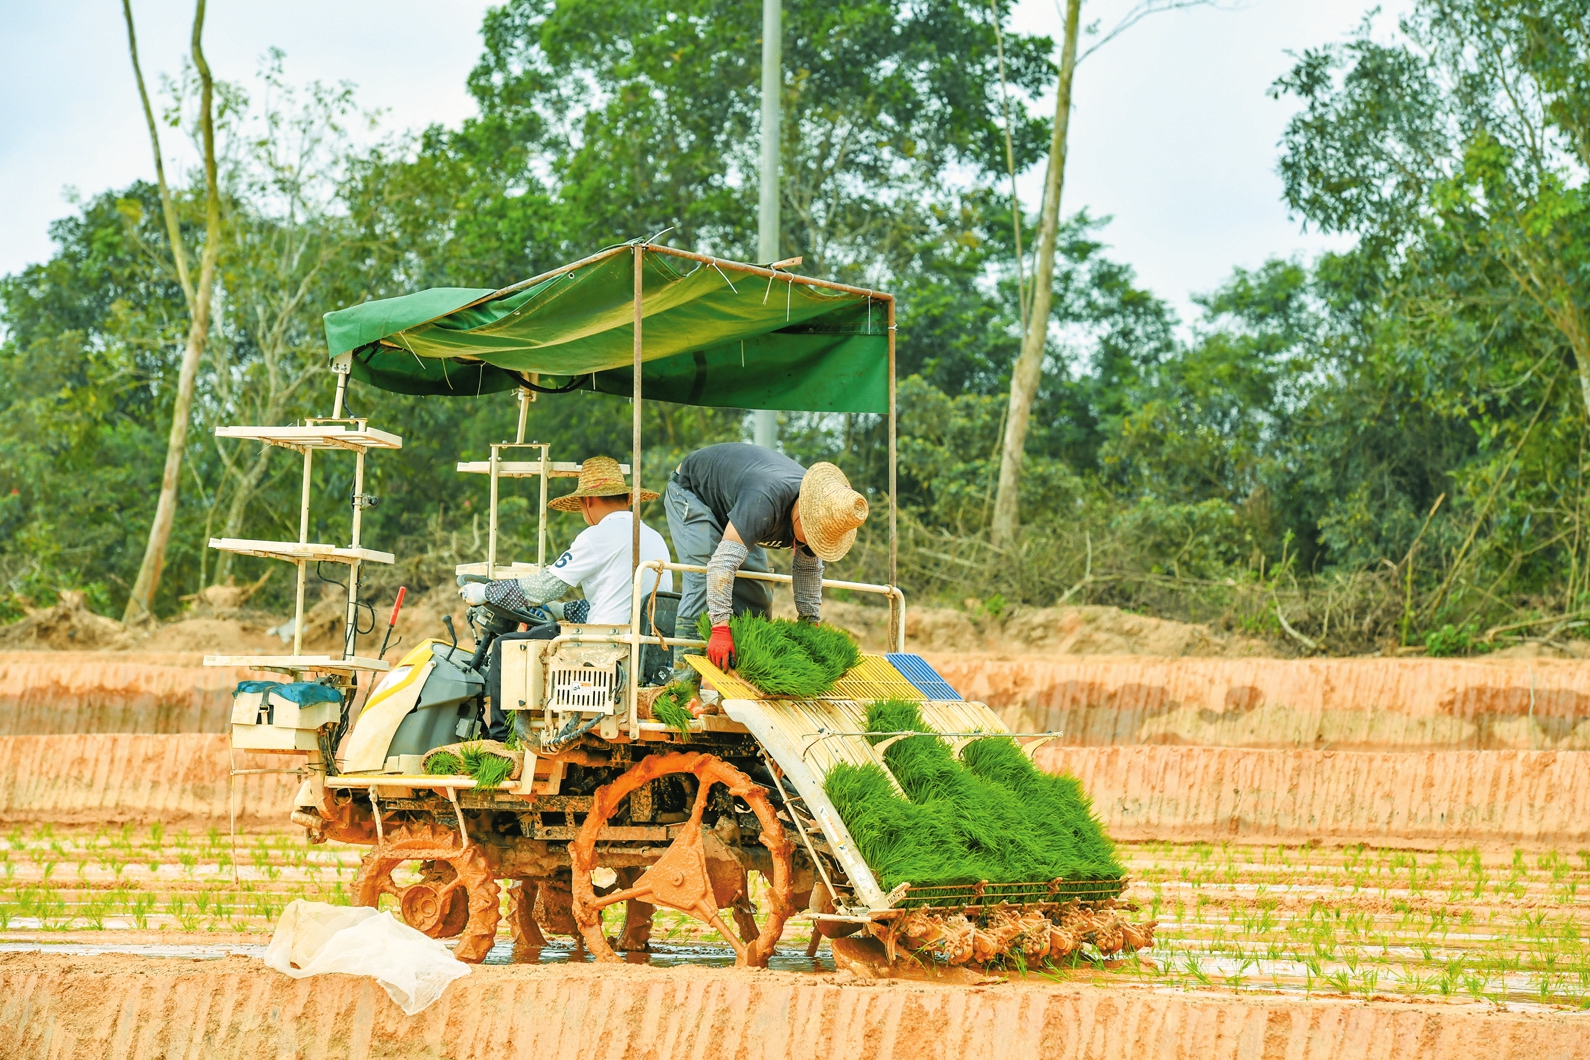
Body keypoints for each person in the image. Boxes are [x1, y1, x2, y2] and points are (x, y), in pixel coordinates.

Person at [665, 442, 868, 669]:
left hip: (736, 501)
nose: (810, 544)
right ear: (801, 514)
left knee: (758, 591)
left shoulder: (824, 510)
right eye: (812, 534)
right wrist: (720, 628)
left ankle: (742, 683)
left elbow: (808, 568)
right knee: (703, 582)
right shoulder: (764, 501)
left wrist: (810, 621)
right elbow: (721, 565)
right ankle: (685, 690)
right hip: (694, 491)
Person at [459, 456, 673, 624]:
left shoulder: (597, 536)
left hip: (609, 646)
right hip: (649, 644)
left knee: (507, 646)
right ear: (628, 498)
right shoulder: (654, 537)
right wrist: (562, 610)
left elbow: (543, 589)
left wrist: (485, 592)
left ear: (587, 501)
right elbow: (617, 603)